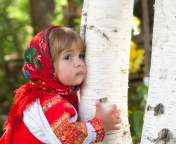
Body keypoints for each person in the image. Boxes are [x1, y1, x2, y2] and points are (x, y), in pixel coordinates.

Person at [0, 26, 122, 144]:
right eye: (68, 57)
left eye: (81, 56)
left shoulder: (60, 94)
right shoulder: (44, 100)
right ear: (48, 66)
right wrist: (99, 125)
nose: (79, 63)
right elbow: (66, 138)